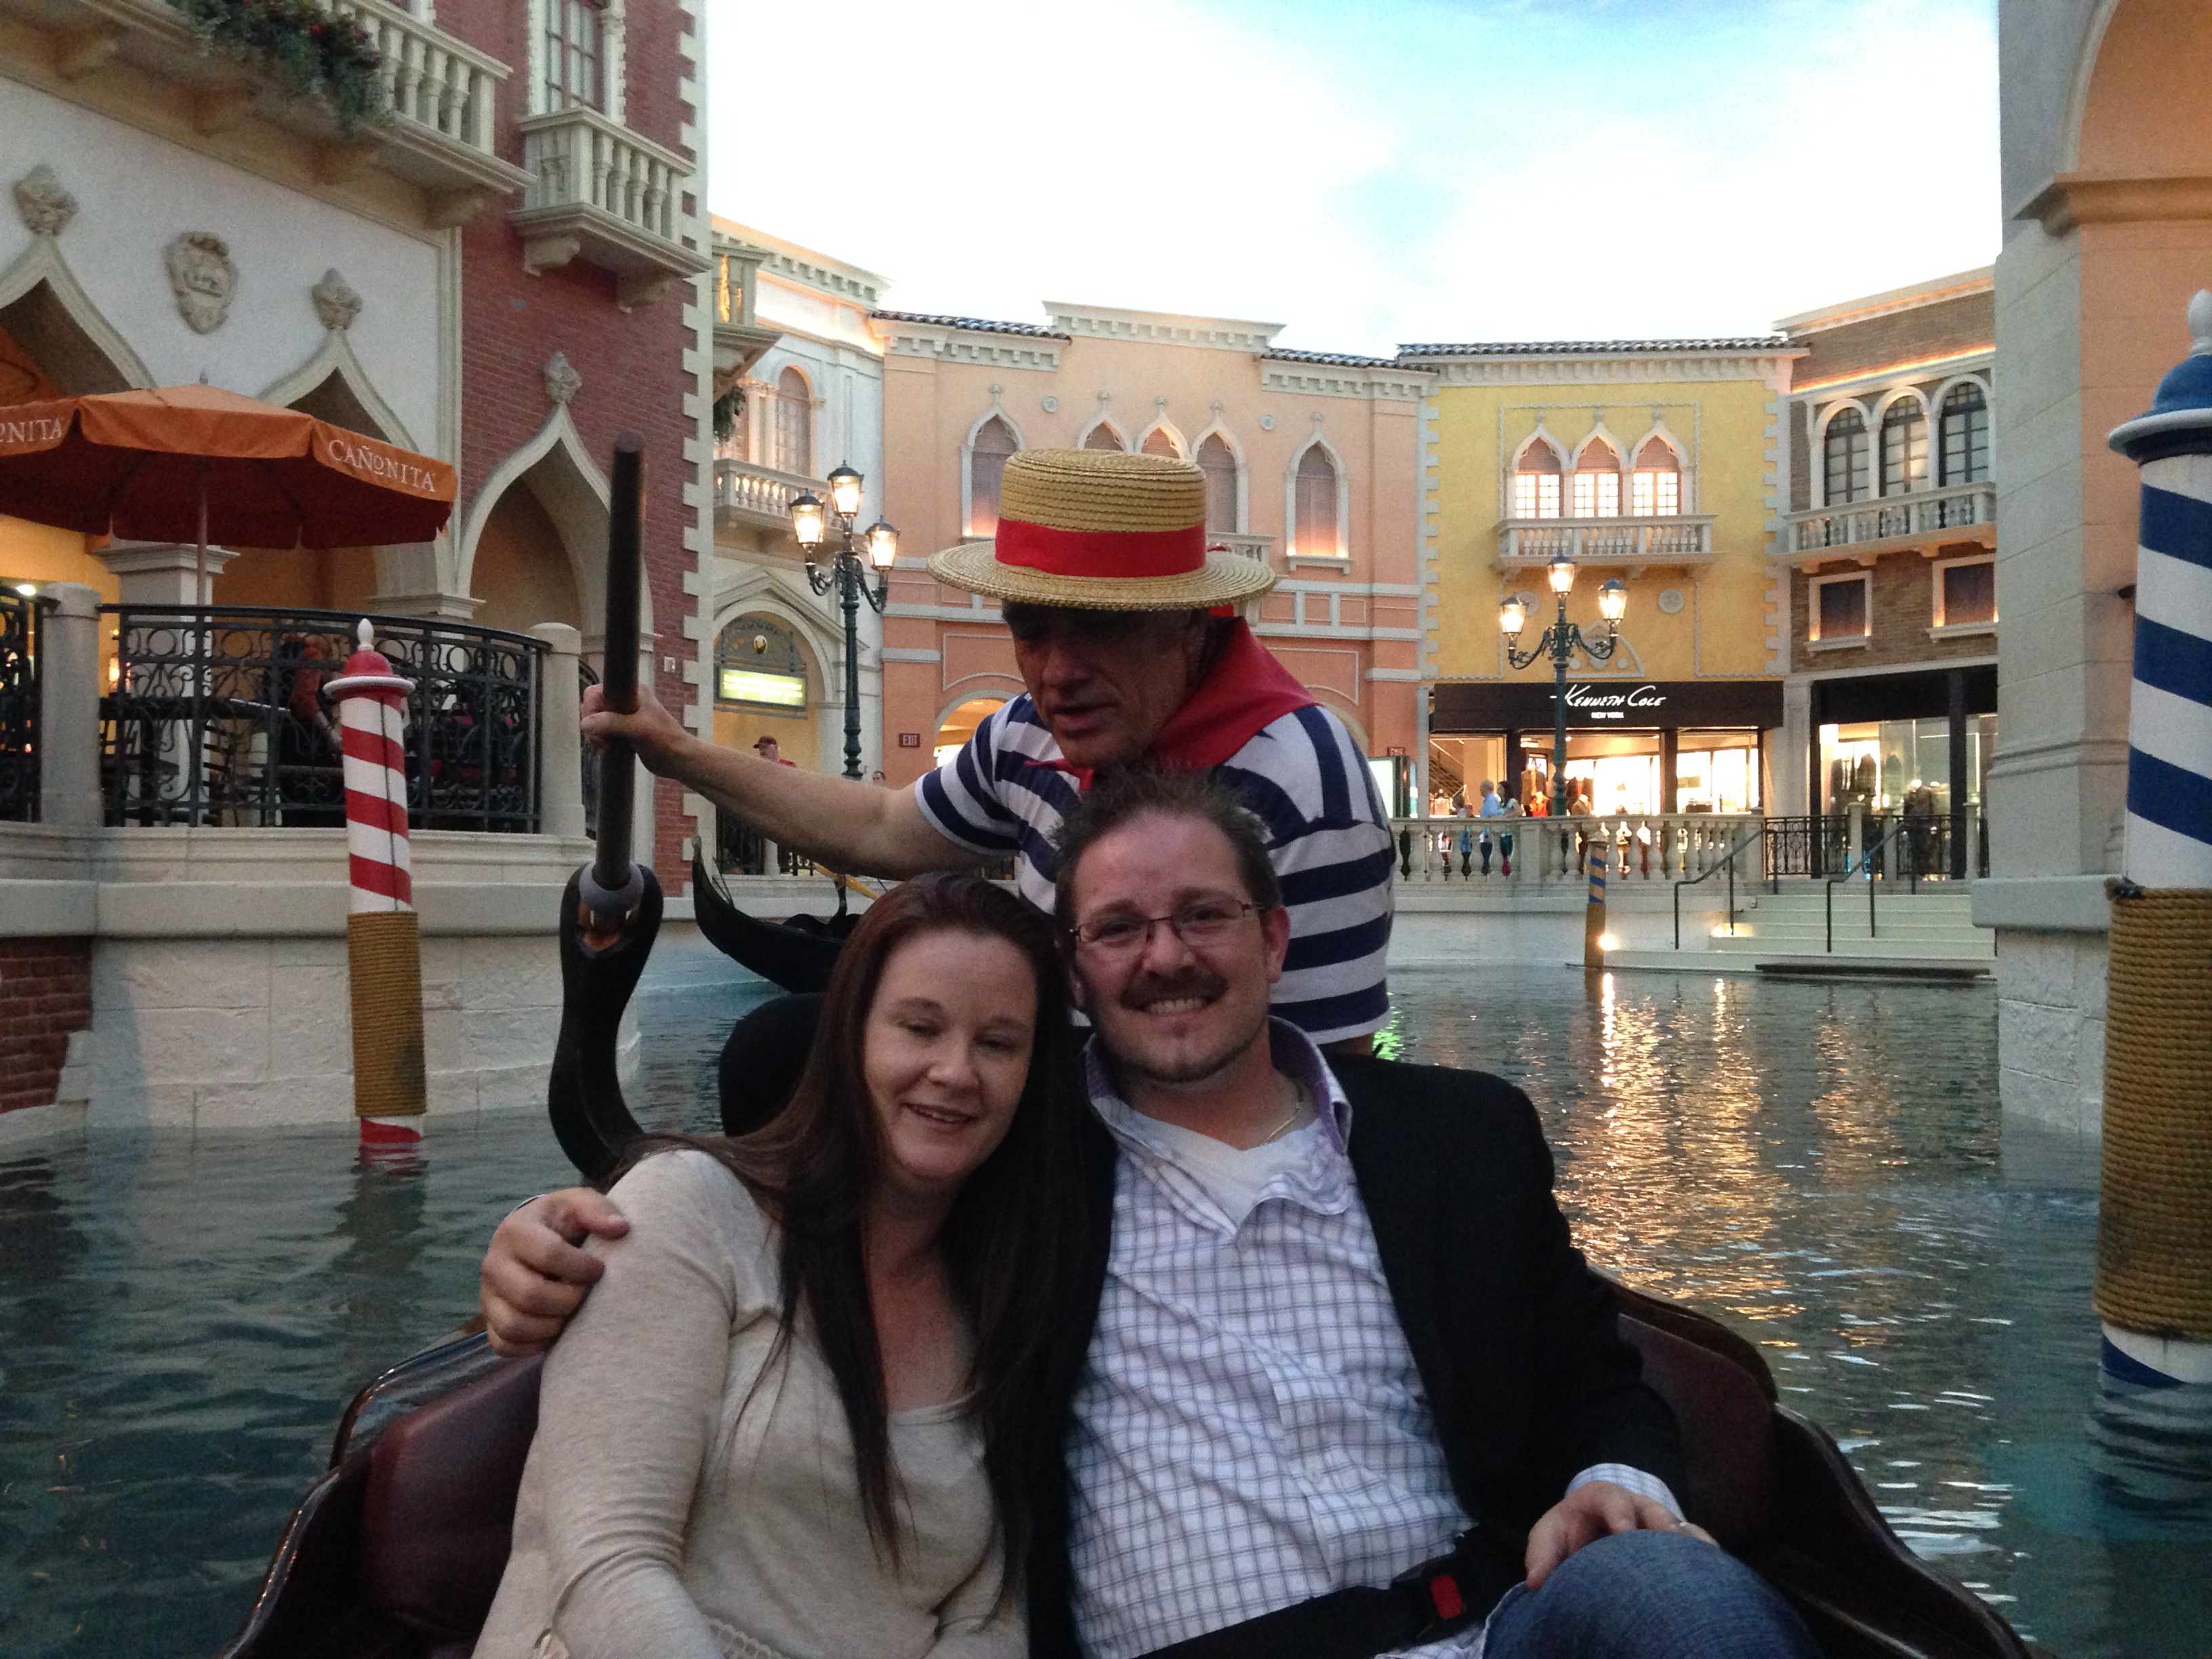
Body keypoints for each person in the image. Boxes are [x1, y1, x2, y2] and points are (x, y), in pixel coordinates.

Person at [484, 773, 1819, 1659]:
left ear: (1274, 939)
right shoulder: (1021, 1150)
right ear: (1077, 972)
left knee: (1677, 1597)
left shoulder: (1460, 1135)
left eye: (1202, 917)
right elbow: (805, 1110)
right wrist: (557, 1233)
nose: (1164, 955)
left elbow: (1594, 1373)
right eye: (1118, 928)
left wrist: (1613, 1481)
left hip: (1489, 1624)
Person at [581, 448, 1394, 1051]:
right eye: (1031, 632)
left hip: (1189, 1145)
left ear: (1189, 626)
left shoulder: (1305, 782)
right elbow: (882, 828)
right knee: (776, 1048)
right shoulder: (1025, 733)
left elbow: (1329, 1088)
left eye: (1100, 629)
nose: (1057, 674)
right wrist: (676, 752)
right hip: (1053, 1107)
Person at [474, 872, 1085, 1659]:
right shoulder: (687, 1211)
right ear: (852, 1035)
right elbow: (607, 1567)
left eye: (997, 1043)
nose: (955, 1071)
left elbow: (989, 1616)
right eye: (919, 1028)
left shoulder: (1011, 1293)